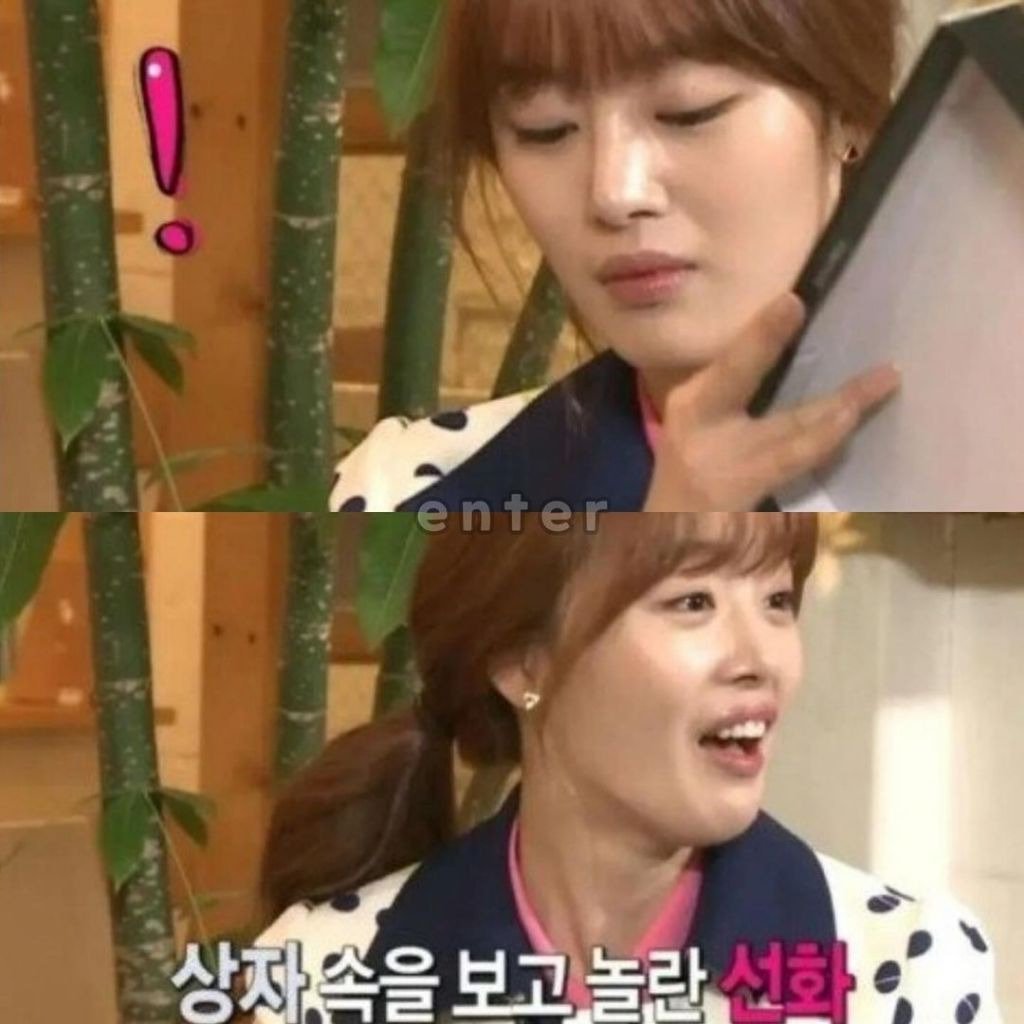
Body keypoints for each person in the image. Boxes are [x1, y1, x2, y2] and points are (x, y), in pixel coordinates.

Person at [253, 513, 1002, 1023]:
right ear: (522, 663)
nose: (761, 659)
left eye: (777, 600)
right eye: (693, 602)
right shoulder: (323, 971)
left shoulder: (908, 970)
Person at [328, 0, 903, 513]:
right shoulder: (409, 490)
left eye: (689, 110)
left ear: (846, 113)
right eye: (546, 128)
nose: (615, 193)